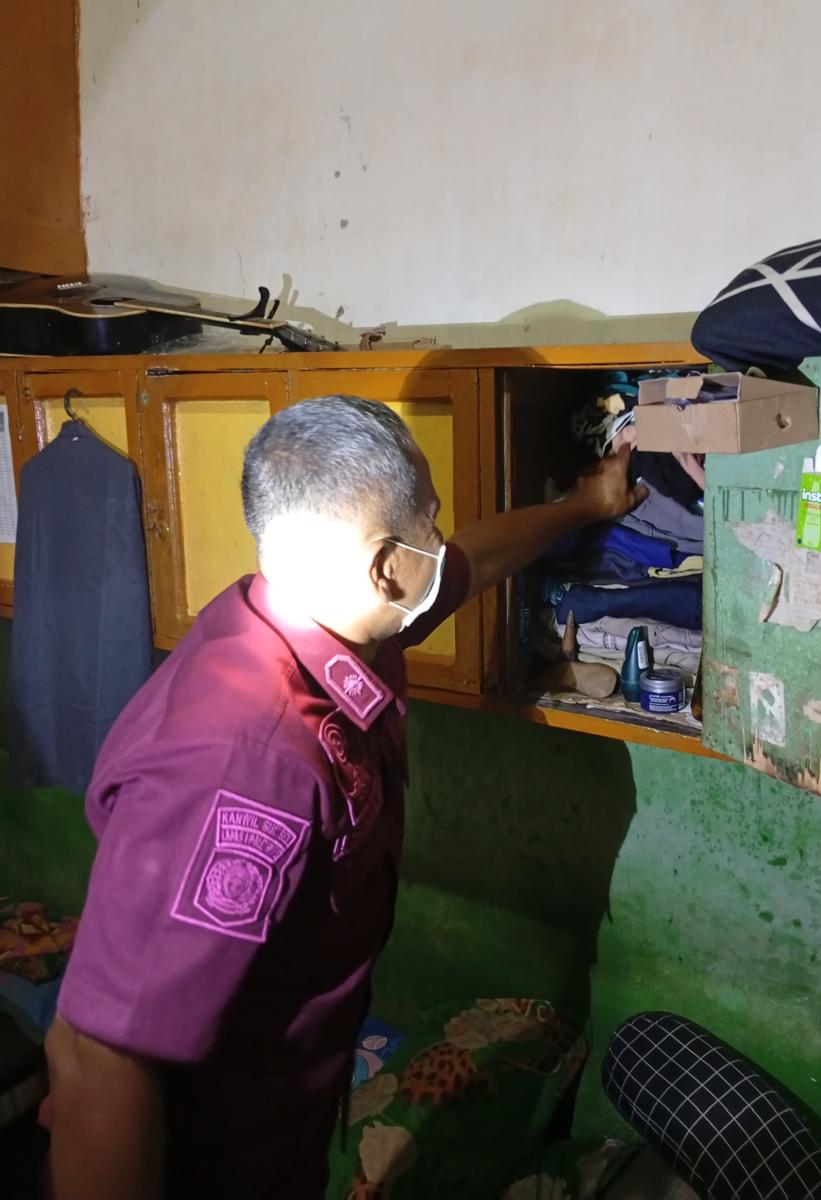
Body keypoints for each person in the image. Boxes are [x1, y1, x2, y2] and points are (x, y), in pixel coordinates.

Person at [44, 395, 645, 1200]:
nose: (441, 539)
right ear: (384, 564)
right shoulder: (246, 765)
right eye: (431, 522)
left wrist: (584, 505)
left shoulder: (310, 612)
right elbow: (97, 1055)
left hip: (292, 1106)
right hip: (210, 1159)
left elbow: (470, 563)